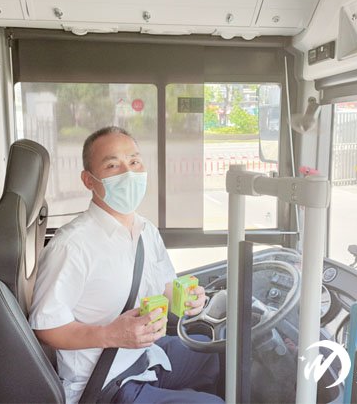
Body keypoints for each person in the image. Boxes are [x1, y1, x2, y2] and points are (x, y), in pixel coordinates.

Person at [29, 126, 223, 404]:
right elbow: (46, 328)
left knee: (215, 352)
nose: (128, 173)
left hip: (146, 356)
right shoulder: (71, 245)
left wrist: (191, 300)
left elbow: (166, 287)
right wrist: (109, 335)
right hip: (106, 384)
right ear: (89, 180)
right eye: (112, 165)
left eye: (134, 162)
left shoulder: (146, 230)